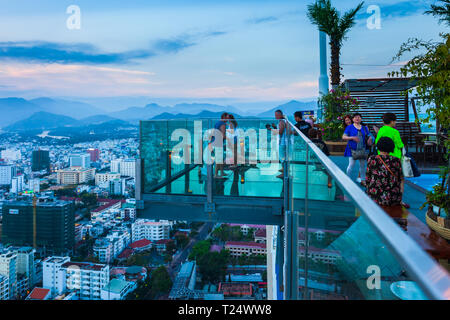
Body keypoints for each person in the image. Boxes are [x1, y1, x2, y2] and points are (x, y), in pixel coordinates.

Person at [375, 112, 409, 208]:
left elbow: (377, 143)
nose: (395, 123)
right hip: (395, 159)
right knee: (400, 180)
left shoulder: (381, 130)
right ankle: (399, 200)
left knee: (384, 179)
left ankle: (383, 198)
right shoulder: (395, 132)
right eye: (395, 121)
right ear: (392, 121)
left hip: (382, 159)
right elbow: (400, 145)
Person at [366, 137, 403, 207]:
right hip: (392, 197)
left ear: (379, 146)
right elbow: (400, 178)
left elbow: (368, 177)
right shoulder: (396, 160)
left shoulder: (372, 158)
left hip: (375, 195)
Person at [342, 113, 373, 186]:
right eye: (355, 117)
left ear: (361, 119)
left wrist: (371, 138)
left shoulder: (365, 128)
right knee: (351, 165)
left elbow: (369, 135)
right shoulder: (349, 127)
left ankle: (363, 180)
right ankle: (347, 179)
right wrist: (352, 138)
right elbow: (344, 137)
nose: (357, 118)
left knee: (362, 165)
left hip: (363, 149)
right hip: (352, 150)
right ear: (353, 119)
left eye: (359, 117)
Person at [210, 113, 228, 178]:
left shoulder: (217, 123)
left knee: (220, 158)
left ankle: (222, 172)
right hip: (218, 143)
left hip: (215, 142)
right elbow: (223, 136)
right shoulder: (223, 124)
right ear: (224, 117)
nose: (228, 119)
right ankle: (216, 174)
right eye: (227, 117)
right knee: (219, 159)